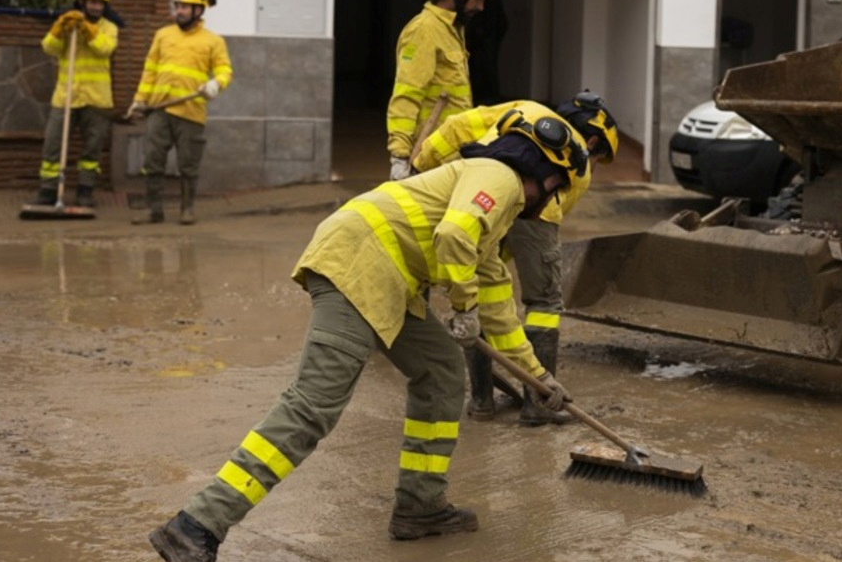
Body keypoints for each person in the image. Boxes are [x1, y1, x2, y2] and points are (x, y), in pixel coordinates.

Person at [148, 111, 586, 562]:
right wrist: (463, 307)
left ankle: (421, 507)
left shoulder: (494, 221)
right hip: (358, 265)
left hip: (391, 282)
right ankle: (197, 524)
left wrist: (539, 380)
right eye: (557, 186)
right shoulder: (501, 176)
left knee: (440, 372)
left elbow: (500, 310)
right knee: (313, 406)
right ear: (546, 173)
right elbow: (454, 235)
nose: (551, 198)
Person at [413, 91, 620, 427]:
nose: (594, 165)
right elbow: (541, 212)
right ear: (593, 140)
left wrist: (418, 166)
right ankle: (538, 403)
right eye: (601, 157)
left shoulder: (525, 109)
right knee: (544, 304)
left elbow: (456, 126)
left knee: (478, 297)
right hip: (532, 215)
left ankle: (481, 401)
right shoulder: (579, 164)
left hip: (481, 198)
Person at [387, 0, 504, 181]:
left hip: (450, 152)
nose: (481, 7)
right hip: (427, 156)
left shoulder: (453, 30)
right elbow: (406, 95)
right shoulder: (424, 30)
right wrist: (400, 156)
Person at [127, 0, 231, 225]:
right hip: (159, 109)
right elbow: (149, 71)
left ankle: (187, 209)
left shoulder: (213, 41)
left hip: (190, 111)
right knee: (152, 160)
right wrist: (139, 100)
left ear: (199, 11)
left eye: (186, 7)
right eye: (178, 6)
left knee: (188, 164)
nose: (180, 11)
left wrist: (215, 84)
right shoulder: (163, 35)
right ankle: (154, 210)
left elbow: (225, 69)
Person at [30, 0, 119, 209]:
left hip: (97, 99)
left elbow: (104, 49)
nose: (96, 7)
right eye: (91, 3)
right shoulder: (68, 26)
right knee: (53, 144)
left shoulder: (109, 28)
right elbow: (49, 48)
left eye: (100, 4)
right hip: (66, 97)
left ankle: (85, 191)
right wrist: (59, 29)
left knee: (92, 148)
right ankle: (48, 190)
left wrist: (87, 29)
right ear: (81, 3)